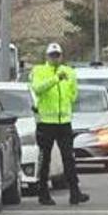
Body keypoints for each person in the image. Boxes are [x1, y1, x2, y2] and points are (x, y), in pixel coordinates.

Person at [29, 42, 88, 206]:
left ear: (61, 56)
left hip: (64, 122)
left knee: (69, 158)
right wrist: (55, 79)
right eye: (52, 55)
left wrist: (68, 102)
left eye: (57, 55)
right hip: (46, 122)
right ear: (46, 56)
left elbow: (73, 93)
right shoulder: (39, 71)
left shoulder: (69, 72)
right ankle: (43, 193)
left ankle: (75, 192)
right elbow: (37, 88)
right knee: (45, 159)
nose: (55, 58)